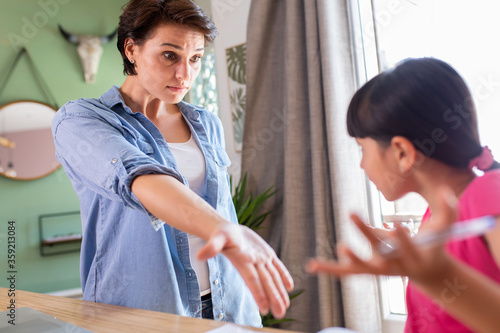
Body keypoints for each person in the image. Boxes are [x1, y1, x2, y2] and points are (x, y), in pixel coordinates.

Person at [52, 0, 293, 327]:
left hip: (227, 305)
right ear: (132, 50)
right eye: (169, 55)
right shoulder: (81, 119)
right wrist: (225, 230)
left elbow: (221, 208)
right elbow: (139, 177)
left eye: (195, 59)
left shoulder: (206, 123)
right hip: (143, 312)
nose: (185, 74)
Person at [307, 58, 500, 333]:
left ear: (402, 153)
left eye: (363, 149)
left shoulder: (489, 194)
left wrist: (438, 275)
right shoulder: (436, 216)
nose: (362, 165)